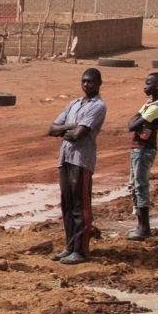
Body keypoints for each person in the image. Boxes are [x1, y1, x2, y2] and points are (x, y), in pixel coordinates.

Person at [49, 66, 108, 264]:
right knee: (67, 203)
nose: (86, 84)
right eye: (83, 81)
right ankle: (69, 246)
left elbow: (77, 135)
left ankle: (81, 250)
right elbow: (52, 129)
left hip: (81, 160)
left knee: (80, 205)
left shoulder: (98, 106)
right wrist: (71, 126)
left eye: (90, 81)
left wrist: (65, 130)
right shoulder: (74, 103)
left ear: (99, 83)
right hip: (65, 158)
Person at [126, 71, 158, 241]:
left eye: (148, 83)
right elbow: (132, 123)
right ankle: (140, 226)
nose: (145, 86)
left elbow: (132, 124)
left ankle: (144, 228)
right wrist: (136, 121)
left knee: (140, 186)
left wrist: (136, 121)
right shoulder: (150, 104)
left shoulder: (155, 107)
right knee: (134, 185)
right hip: (139, 149)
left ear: (157, 86)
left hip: (144, 150)